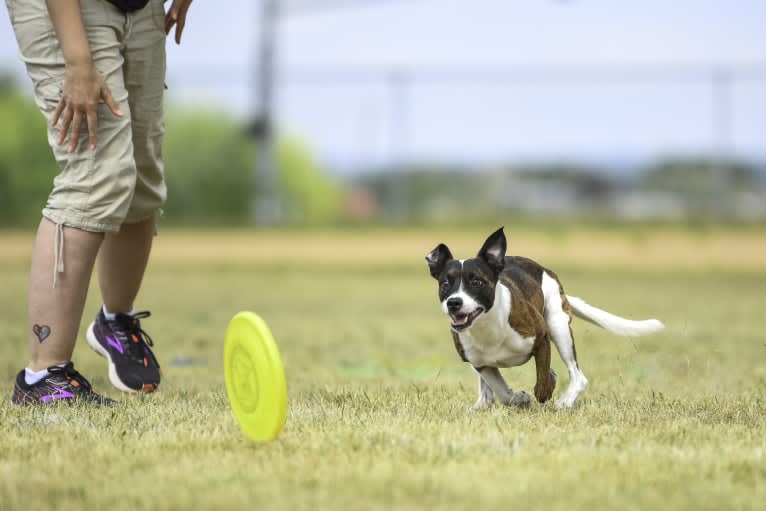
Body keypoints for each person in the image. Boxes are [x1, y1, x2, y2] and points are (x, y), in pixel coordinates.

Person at [6, 0, 193, 405]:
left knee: (141, 176)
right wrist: (77, 60)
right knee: (96, 173)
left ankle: (116, 322)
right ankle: (44, 375)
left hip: (138, 7)